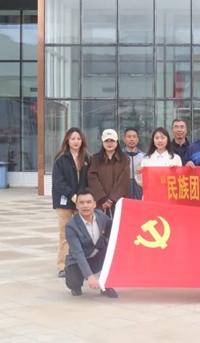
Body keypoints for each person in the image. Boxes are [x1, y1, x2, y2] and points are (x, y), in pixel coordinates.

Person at [64, 188, 117, 298]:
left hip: (97, 255)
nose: (85, 206)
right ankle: (76, 285)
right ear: (77, 206)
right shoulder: (71, 226)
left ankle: (106, 285)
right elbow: (78, 252)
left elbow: (115, 226)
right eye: (81, 203)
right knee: (73, 281)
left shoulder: (101, 216)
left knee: (114, 252)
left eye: (88, 202)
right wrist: (90, 276)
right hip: (78, 260)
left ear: (94, 204)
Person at [52, 127, 91, 278]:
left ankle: (81, 265)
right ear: (67, 140)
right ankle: (63, 265)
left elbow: (89, 180)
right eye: (73, 138)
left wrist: (83, 198)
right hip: (65, 202)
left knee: (82, 233)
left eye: (78, 139)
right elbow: (58, 182)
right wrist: (73, 196)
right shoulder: (61, 158)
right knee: (65, 233)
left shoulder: (87, 158)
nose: (76, 142)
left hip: (82, 202)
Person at [88, 129, 130, 218]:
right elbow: (92, 179)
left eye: (112, 141)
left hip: (118, 202)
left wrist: (112, 198)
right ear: (102, 142)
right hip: (100, 203)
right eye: (106, 141)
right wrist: (102, 198)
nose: (109, 143)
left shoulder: (125, 159)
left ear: (117, 142)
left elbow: (124, 180)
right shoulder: (95, 159)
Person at [122, 128, 146, 200]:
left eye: (134, 137)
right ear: (124, 139)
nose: (132, 139)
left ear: (137, 139)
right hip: (124, 194)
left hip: (140, 195)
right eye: (129, 137)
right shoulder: (119, 157)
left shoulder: (145, 157)